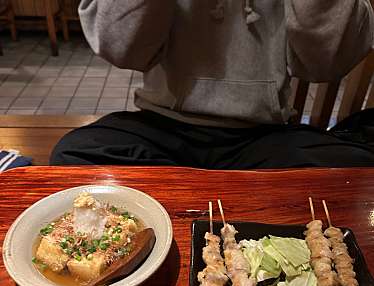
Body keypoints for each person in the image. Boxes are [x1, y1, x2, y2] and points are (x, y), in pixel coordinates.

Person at [51, 0, 374, 168]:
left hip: (263, 133)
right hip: (163, 126)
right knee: (74, 155)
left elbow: (328, 63)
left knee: (354, 168)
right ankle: (226, 212)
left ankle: (189, 211)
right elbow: (119, 47)